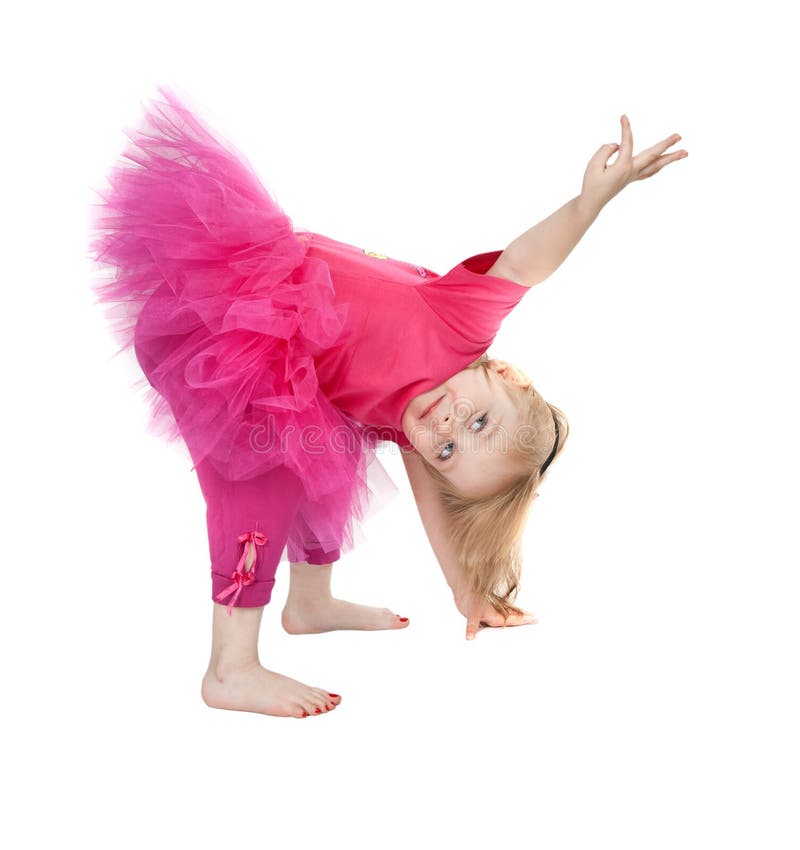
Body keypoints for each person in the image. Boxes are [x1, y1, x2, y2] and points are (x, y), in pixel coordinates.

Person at [87, 85, 687, 719]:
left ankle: (309, 603)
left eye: (452, 449)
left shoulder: (415, 425)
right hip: (221, 332)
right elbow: (524, 263)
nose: (450, 426)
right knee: (262, 482)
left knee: (325, 462)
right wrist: (590, 203)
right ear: (503, 374)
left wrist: (464, 591)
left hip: (278, 370)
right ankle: (230, 668)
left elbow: (432, 496)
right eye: (479, 419)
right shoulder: (462, 326)